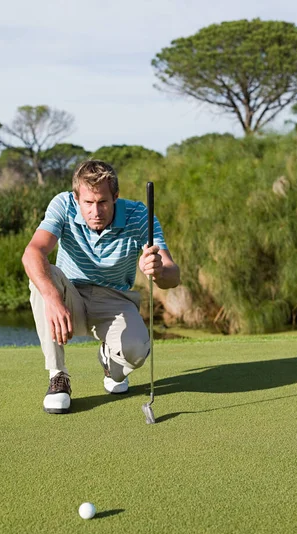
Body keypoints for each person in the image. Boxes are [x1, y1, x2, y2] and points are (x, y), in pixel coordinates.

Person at [22, 159, 180, 414]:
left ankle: (110, 362)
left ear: (115, 196)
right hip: (69, 294)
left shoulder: (139, 215)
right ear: (76, 199)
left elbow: (174, 276)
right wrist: (52, 298)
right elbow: (32, 252)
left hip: (115, 300)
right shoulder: (62, 204)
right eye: (88, 203)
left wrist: (159, 269)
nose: (96, 211)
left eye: (103, 202)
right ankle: (58, 376)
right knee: (43, 274)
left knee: (137, 351)